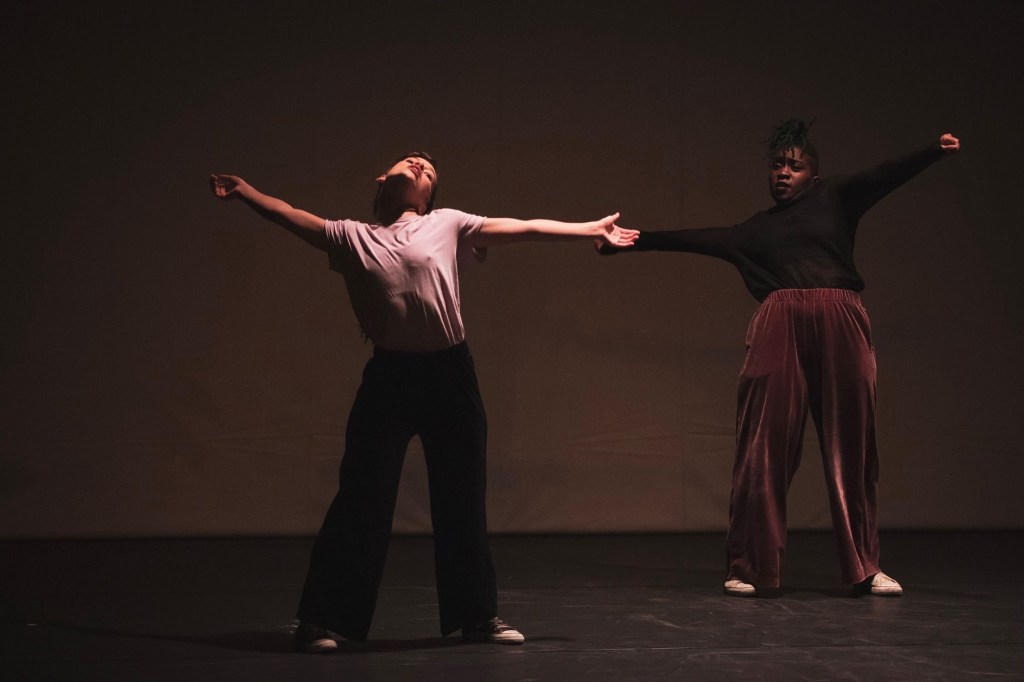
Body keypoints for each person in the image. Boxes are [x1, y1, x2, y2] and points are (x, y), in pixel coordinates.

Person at [209, 152, 636, 652]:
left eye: (429, 169)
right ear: (381, 178)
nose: (419, 163)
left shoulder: (446, 223)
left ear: (430, 195)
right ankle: (320, 620)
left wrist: (590, 229)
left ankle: (477, 617)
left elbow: (523, 227)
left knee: (461, 497)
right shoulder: (351, 236)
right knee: (361, 499)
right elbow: (287, 214)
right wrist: (245, 192)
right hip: (389, 379)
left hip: (449, 374)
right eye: (412, 160)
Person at [601, 121, 960, 597]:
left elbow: (882, 176)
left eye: (795, 165)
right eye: (776, 166)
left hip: (841, 318)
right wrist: (635, 239)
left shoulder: (834, 197)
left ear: (812, 173)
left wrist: (931, 152)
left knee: (851, 445)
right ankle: (749, 566)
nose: (784, 173)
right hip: (779, 322)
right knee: (762, 448)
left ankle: (866, 567)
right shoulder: (755, 230)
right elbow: (699, 239)